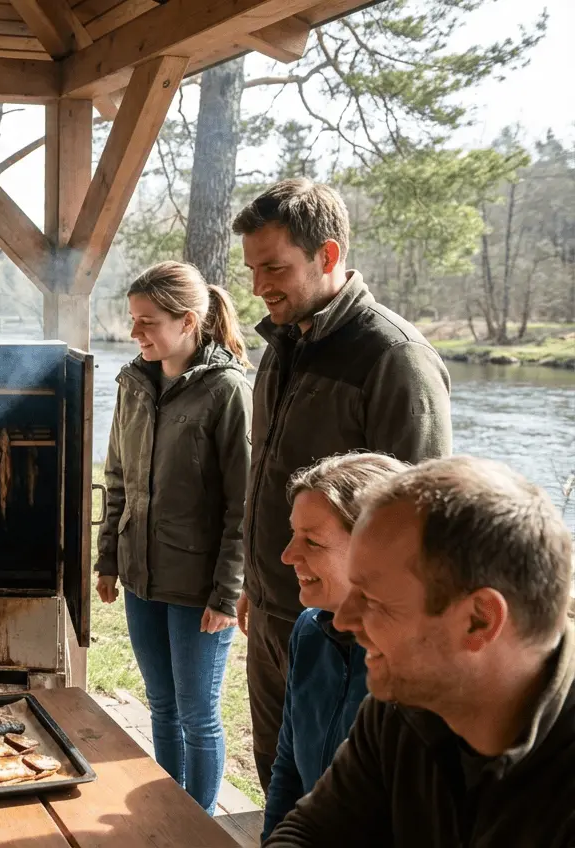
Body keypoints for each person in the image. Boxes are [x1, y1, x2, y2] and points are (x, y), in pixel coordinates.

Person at [231, 178, 452, 791]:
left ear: (328, 256)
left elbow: (418, 521)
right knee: (284, 771)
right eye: (251, 268)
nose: (258, 286)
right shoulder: (280, 344)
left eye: (274, 267)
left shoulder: (396, 359)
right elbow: (265, 478)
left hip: (354, 634)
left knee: (346, 796)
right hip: (280, 610)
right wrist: (257, 583)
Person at [267, 456, 575, 846]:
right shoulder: (402, 700)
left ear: (478, 621)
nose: (344, 620)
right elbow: (312, 830)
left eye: (374, 600)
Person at [94, 261, 252, 814]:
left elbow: (244, 504)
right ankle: (166, 813)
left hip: (199, 587)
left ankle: (200, 824)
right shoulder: (133, 383)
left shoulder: (227, 391)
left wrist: (227, 595)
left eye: (147, 323)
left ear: (187, 322)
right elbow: (118, 478)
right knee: (160, 705)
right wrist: (108, 560)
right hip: (140, 576)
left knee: (197, 713)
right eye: (134, 321)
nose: (136, 333)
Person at [261, 452, 407, 839]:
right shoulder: (309, 631)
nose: (288, 555)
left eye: (312, 541)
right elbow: (289, 768)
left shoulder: (414, 667)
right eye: (293, 534)